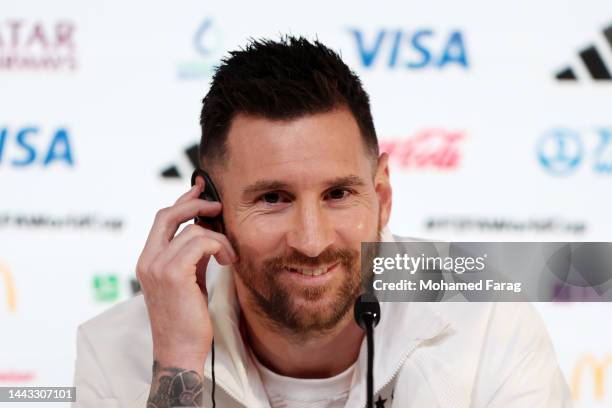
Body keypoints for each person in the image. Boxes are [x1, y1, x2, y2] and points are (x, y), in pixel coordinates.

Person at [72, 36, 572, 407]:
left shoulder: (487, 316)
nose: (311, 241)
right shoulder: (117, 346)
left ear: (381, 194)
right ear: (212, 212)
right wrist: (179, 363)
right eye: (273, 198)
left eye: (338, 194)